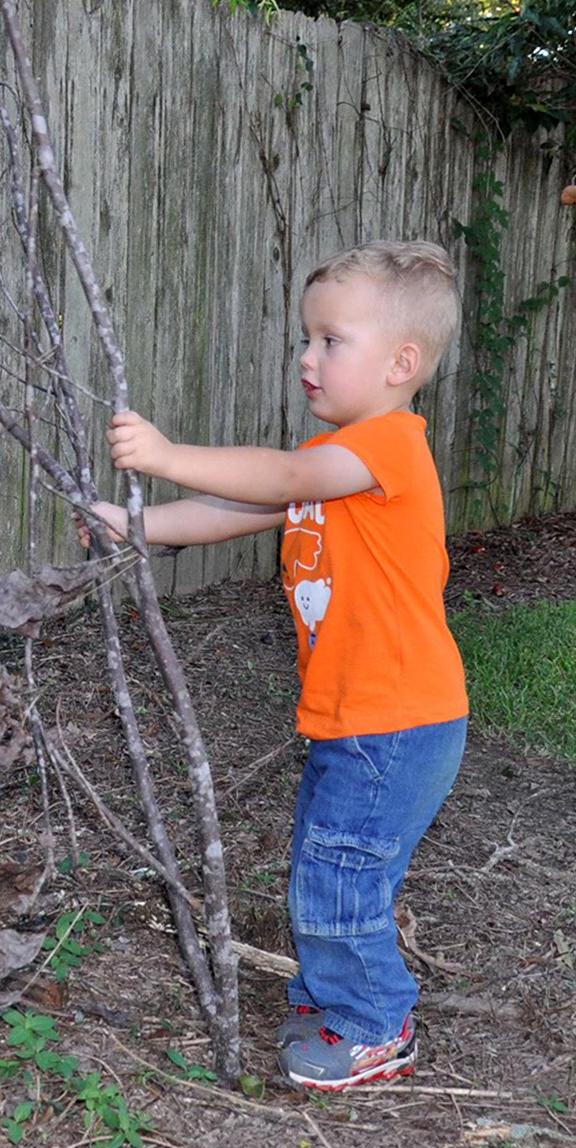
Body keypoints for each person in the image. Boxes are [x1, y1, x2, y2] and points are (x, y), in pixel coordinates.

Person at [82, 240, 468, 1090]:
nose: (308, 355)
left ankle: (373, 1025)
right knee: (329, 864)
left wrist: (166, 453)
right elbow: (232, 508)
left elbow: (283, 472)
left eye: (332, 340)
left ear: (404, 362)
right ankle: (337, 995)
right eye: (308, 337)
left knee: (339, 874)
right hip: (363, 715)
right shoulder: (339, 466)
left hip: (397, 720)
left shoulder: (388, 448)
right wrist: (132, 523)